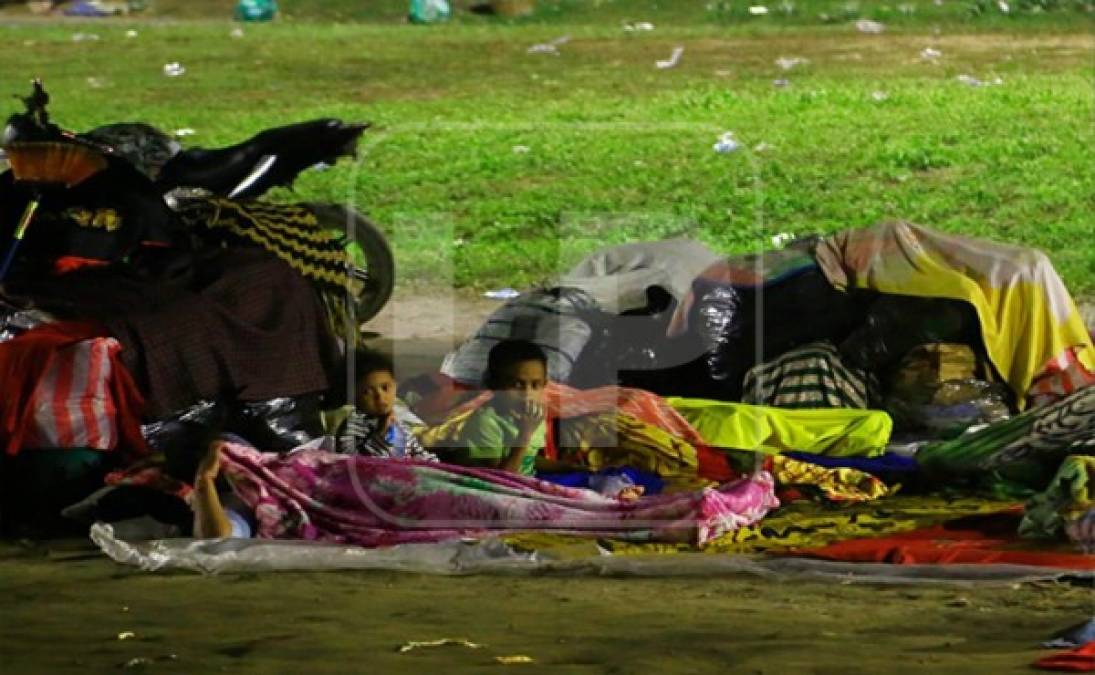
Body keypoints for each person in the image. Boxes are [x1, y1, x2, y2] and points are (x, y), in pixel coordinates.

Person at [452, 340, 551, 475]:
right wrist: (524, 435)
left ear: (545, 384)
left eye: (535, 385)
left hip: (525, 483)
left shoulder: (533, 417)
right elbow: (499, 479)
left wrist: (572, 468)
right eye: (517, 385)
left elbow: (528, 460)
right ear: (495, 384)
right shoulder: (486, 422)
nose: (527, 394)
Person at [337, 350, 437, 461]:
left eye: (385, 388)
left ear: (395, 385)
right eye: (367, 392)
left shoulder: (400, 424)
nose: (380, 397)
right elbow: (353, 465)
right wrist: (382, 435)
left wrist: (434, 466)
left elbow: (417, 452)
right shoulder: (352, 427)